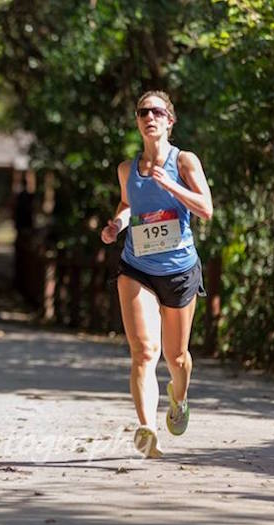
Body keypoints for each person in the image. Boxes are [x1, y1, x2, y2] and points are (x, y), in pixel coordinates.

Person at [101, 90, 213, 458]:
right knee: (143, 352)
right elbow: (127, 204)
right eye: (143, 112)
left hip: (179, 269)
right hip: (137, 266)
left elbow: (206, 209)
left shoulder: (184, 162)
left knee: (176, 356)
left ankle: (178, 399)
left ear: (170, 120)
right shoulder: (125, 169)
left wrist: (169, 185)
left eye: (157, 111)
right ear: (137, 121)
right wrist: (116, 224)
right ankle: (147, 428)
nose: (150, 117)